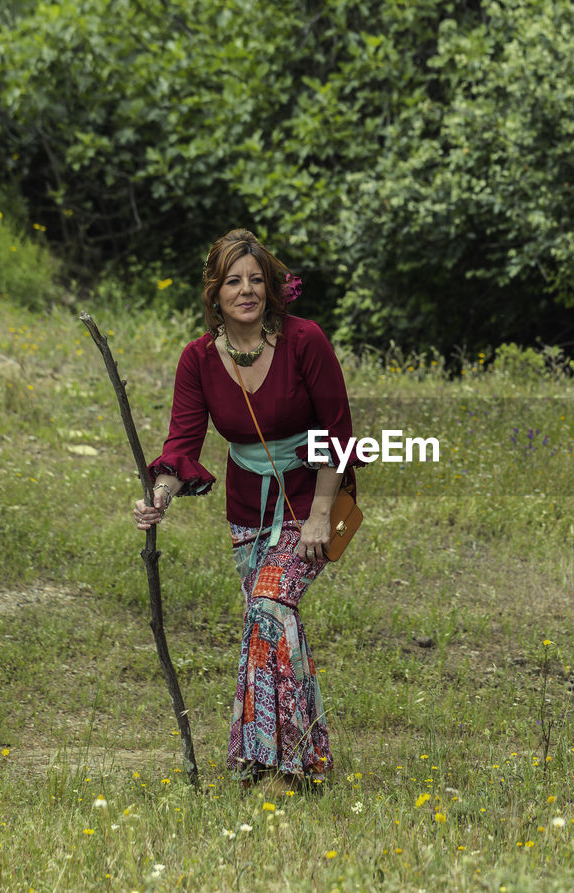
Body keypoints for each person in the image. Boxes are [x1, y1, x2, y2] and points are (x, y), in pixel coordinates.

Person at [132, 228, 361, 791]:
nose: (246, 290)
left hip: (315, 497)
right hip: (246, 508)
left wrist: (317, 514)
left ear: (273, 287)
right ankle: (281, 759)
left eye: (256, 279)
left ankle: (286, 765)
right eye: (233, 280)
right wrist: (159, 498)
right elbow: (181, 442)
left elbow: (340, 434)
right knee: (270, 624)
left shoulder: (306, 341)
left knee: (269, 606)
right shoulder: (199, 359)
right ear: (215, 292)